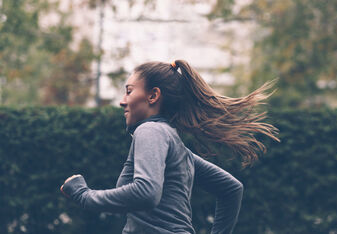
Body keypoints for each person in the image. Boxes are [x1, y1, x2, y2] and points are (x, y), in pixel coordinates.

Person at [60, 60, 280, 234]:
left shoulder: (150, 131)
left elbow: (147, 193)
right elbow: (231, 189)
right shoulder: (175, 145)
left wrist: (85, 196)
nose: (122, 101)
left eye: (128, 91)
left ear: (153, 96)